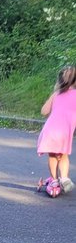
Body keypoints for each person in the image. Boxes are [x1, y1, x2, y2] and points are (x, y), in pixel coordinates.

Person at [37, 65, 76, 196]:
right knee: (63, 155)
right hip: (65, 133)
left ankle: (54, 181)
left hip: (51, 131)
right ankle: (64, 178)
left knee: (53, 156)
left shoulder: (56, 94)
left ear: (59, 80)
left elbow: (44, 111)